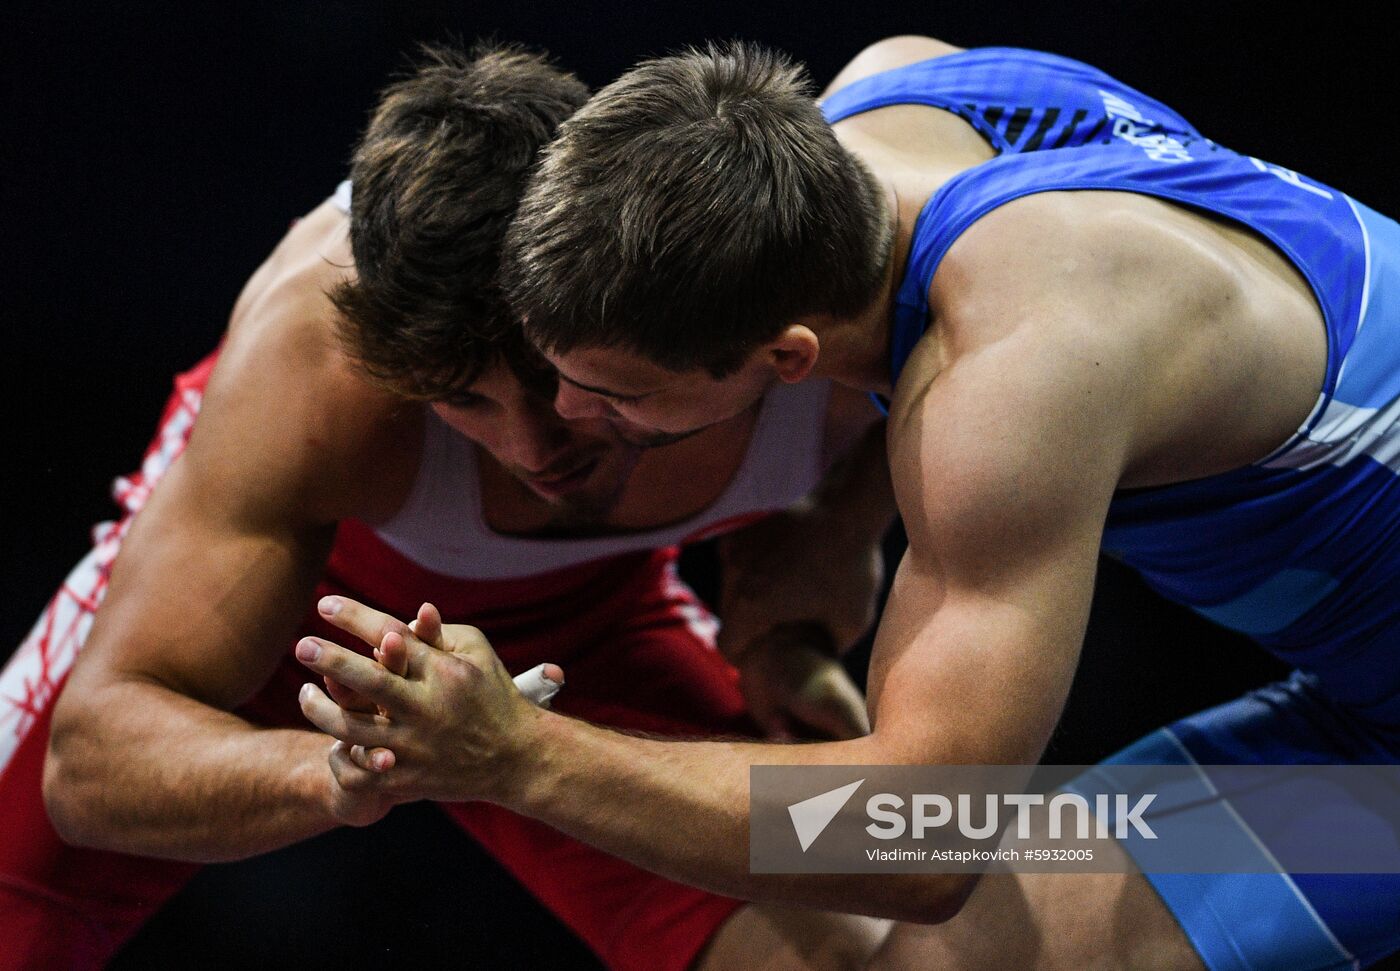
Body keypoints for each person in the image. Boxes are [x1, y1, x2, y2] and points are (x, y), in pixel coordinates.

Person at [295, 35, 1400, 970]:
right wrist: (832, 522)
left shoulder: (1016, 369)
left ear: (784, 358)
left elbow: (916, 841)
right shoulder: (892, 97)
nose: (570, 422)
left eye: (616, 398)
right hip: (1357, 709)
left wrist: (517, 756)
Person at [1, 42, 895, 970]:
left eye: (560, 382)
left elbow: (934, 842)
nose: (534, 448)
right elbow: (93, 762)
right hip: (300, 608)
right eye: (460, 399)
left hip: (590, 624)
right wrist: (339, 769)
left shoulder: (826, 287)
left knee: (887, 922)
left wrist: (835, 533)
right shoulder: (320, 370)